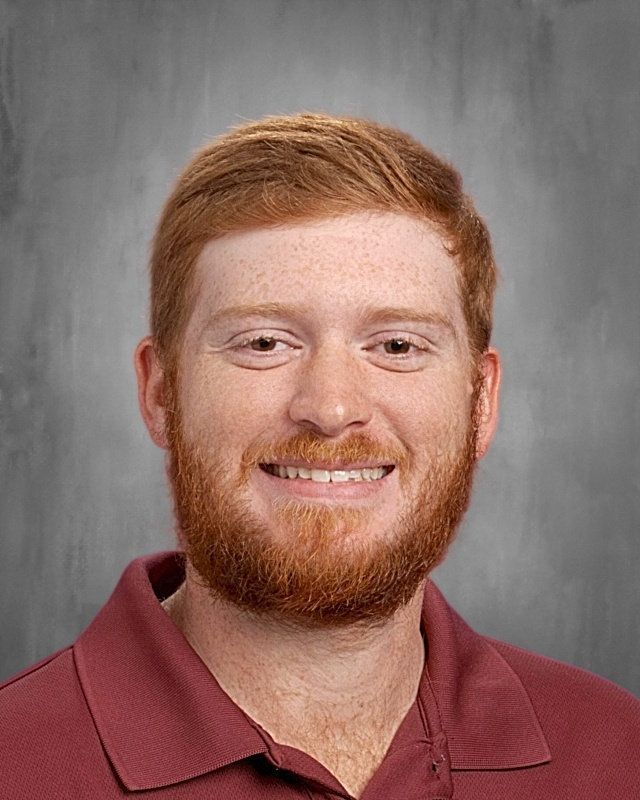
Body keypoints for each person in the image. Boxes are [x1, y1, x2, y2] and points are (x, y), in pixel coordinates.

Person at [1, 113, 638, 800]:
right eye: (264, 343)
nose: (331, 408)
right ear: (160, 392)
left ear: (481, 402)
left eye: (397, 346)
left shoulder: (618, 754)